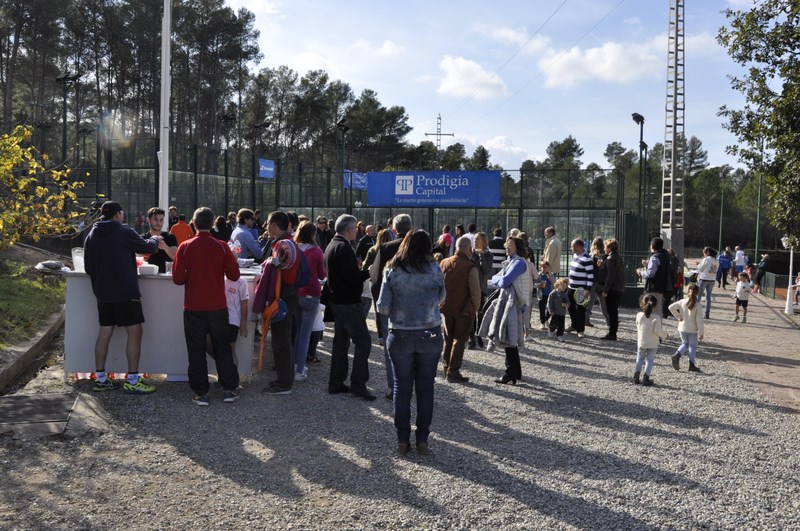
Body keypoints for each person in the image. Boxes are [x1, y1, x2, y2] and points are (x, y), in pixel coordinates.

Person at [376, 230, 445, 456]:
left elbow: (382, 307)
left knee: (401, 388)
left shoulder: (392, 269)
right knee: (426, 389)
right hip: (430, 333)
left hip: (401, 334)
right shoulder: (435, 269)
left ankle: (402, 440)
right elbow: (442, 298)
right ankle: (423, 439)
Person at [84, 201, 161, 394]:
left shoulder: (91, 235)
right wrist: (155, 239)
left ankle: (101, 379)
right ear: (118, 214)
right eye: (122, 213)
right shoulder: (123, 231)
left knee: (104, 333)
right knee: (135, 332)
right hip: (125, 291)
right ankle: (133, 380)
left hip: (102, 292)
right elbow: (147, 248)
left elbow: (87, 267)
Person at [172, 207, 242, 406]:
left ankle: (201, 392)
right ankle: (229, 388)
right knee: (223, 347)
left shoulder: (185, 246)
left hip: (193, 306)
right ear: (212, 224)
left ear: (193, 223)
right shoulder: (221, 246)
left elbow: (178, 279)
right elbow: (235, 276)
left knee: (196, 349)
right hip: (218, 306)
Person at [325, 214, 375, 401]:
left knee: (341, 342)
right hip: (347, 302)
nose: (357, 230)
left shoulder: (332, 244)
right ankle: (358, 384)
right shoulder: (344, 247)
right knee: (363, 342)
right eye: (355, 228)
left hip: (337, 301)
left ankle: (336, 382)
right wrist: (369, 273)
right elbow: (352, 277)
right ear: (349, 229)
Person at [258, 211, 302, 395]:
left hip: (283, 298)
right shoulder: (287, 243)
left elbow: (285, 274)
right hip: (288, 297)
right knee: (283, 341)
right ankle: (285, 380)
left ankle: (284, 384)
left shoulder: (283, 245)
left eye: (267, 223)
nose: (265, 227)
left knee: (281, 342)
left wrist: (271, 264)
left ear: (275, 226)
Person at [369, 213, 412, 398]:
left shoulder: (386, 248)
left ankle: (394, 386)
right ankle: (410, 383)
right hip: (414, 303)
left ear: (394, 229)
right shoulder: (419, 248)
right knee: (412, 344)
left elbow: (375, 276)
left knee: (391, 346)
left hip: (390, 302)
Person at [483, 236, 531, 384]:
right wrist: (499, 279)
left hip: (515, 304)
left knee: (509, 336)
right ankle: (515, 372)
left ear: (518, 247)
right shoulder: (511, 261)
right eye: (506, 245)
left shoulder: (519, 262)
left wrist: (499, 279)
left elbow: (502, 281)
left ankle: (509, 372)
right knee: (511, 338)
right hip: (511, 303)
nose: (507, 247)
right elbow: (493, 280)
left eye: (510, 245)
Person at [439, 236, 481, 383]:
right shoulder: (470, 267)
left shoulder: (443, 262)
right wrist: (476, 307)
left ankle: (446, 367)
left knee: (448, 339)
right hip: (464, 309)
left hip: (446, 307)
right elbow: (475, 292)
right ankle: (453, 371)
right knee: (459, 340)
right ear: (469, 249)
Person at [293, 220, 326, 382]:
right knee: (305, 334)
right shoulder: (317, 251)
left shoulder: (293, 248)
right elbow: (321, 275)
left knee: (298, 331)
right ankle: (299, 369)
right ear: (313, 234)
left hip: (295, 293)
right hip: (311, 293)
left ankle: (295, 364)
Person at [362, 228, 393, 346]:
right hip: (390, 281)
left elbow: (365, 266)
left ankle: (381, 335)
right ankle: (391, 331)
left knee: (378, 309)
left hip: (376, 282)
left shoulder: (373, 250)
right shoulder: (394, 249)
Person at [633, 294, 669, 386]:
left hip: (642, 341)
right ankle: (646, 377)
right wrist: (665, 336)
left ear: (642, 303)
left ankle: (636, 376)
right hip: (652, 343)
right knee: (649, 360)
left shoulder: (639, 315)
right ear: (655, 305)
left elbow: (637, 325)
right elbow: (658, 331)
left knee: (639, 358)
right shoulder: (656, 317)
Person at [669, 283, 705, 372]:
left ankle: (677, 355)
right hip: (692, 329)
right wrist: (701, 333)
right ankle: (691, 364)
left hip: (682, 327)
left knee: (685, 344)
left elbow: (670, 307)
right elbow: (699, 320)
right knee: (692, 346)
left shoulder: (682, 301)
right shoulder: (697, 305)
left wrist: (678, 316)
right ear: (697, 293)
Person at [469, 232, 494, 348]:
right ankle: (471, 339)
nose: (475, 241)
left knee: (480, 314)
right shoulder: (470, 253)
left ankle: (479, 337)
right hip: (469, 288)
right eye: (474, 239)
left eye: (477, 240)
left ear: (483, 241)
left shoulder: (489, 255)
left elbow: (486, 269)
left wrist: (481, 255)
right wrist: (474, 254)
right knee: (470, 314)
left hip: (481, 288)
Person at [567, 238, 593, 338]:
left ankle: (580, 330)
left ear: (579, 246)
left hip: (581, 289)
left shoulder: (587, 259)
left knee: (580, 310)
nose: (571, 248)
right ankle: (574, 325)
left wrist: (587, 290)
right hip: (571, 287)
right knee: (570, 307)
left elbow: (590, 276)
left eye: (572, 246)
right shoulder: (574, 256)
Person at [140, 207, 178, 273]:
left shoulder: (170, 237)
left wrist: (165, 247)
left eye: (161, 220)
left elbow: (176, 257)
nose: (159, 223)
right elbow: (137, 259)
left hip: (165, 278)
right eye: (155, 220)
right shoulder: (142, 238)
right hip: (146, 277)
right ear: (148, 220)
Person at [641, 237, 671, 319]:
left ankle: (652, 328)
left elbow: (650, 274)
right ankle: (657, 328)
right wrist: (648, 264)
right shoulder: (665, 255)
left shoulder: (654, 257)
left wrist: (641, 273)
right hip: (662, 286)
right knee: (658, 308)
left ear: (652, 246)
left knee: (652, 309)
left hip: (653, 286)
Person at [586, 236, 608, 327]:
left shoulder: (592, 254)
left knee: (590, 301)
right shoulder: (604, 254)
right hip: (601, 281)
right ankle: (609, 320)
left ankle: (586, 319)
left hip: (593, 280)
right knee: (603, 302)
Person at [697, 246, 719, 319]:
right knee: (708, 297)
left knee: (698, 296)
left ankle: (695, 312)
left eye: (704, 252)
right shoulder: (716, 260)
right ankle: (707, 314)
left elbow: (700, 269)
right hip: (712, 279)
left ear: (708, 252)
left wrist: (698, 264)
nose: (704, 254)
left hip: (704, 278)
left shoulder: (706, 259)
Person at [536, 260, 554, 331]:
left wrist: (550, 278)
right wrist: (539, 285)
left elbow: (555, 283)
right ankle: (542, 323)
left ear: (548, 268)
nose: (544, 269)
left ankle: (546, 319)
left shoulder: (550, 275)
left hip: (549, 294)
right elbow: (534, 284)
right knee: (542, 309)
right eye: (542, 267)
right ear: (540, 267)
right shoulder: (538, 275)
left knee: (550, 308)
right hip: (541, 295)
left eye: (546, 267)